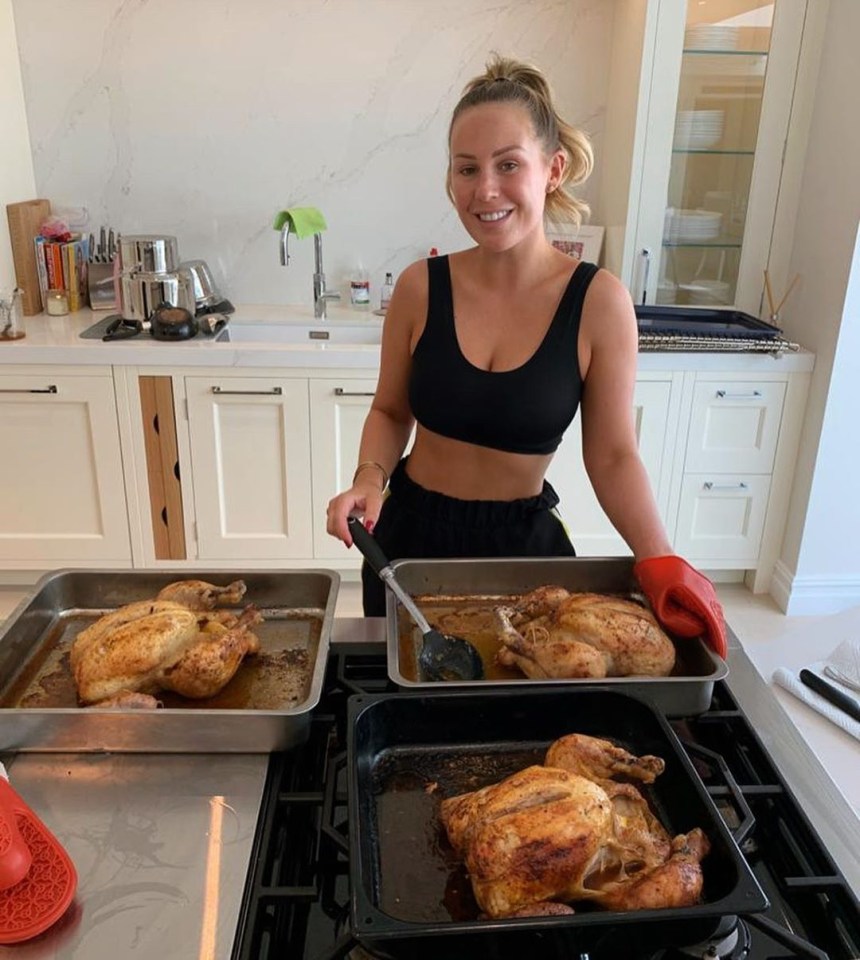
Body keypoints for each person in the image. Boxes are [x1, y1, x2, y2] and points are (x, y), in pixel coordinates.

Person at [326, 54, 726, 657]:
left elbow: (615, 455)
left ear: (552, 169)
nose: (485, 190)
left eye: (508, 164)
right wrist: (367, 479)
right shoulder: (419, 287)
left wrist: (660, 558)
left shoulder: (598, 302)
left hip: (524, 552)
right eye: (467, 169)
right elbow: (389, 412)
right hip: (408, 545)